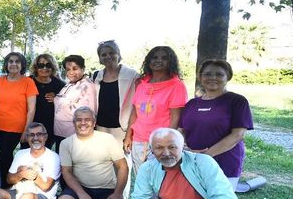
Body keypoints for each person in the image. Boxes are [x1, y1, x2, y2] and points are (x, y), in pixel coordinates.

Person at [179, 59, 253, 190]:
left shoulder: (237, 101)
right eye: (207, 74)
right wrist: (184, 148)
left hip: (224, 163)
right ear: (200, 77)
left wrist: (205, 157)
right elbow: (182, 130)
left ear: (228, 77)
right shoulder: (191, 104)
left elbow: (237, 135)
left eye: (219, 74)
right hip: (191, 162)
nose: (213, 77)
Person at [56, 107, 129, 199]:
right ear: (74, 123)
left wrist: (118, 194)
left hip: (106, 189)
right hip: (82, 187)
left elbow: (123, 167)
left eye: (87, 120)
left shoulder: (107, 139)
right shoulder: (66, 143)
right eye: (79, 120)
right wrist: (81, 194)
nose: (83, 123)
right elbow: (66, 172)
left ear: (94, 123)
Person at [124, 46, 188, 174]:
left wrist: (167, 142)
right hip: (139, 139)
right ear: (148, 61)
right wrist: (128, 136)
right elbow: (135, 112)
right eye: (155, 57)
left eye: (164, 58)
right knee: (141, 176)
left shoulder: (176, 85)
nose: (158, 60)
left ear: (171, 62)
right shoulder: (141, 84)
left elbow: (176, 117)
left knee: (160, 177)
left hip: (161, 141)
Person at [0, 51, 38, 187]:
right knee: (4, 155)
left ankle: (7, 185)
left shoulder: (28, 82)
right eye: (10, 61)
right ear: (6, 64)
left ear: (22, 65)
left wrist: (26, 130)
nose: (13, 64)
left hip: (17, 127)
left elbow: (31, 109)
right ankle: (8, 183)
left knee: (5, 155)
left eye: (17, 61)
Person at [91, 41, 139, 148]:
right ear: (100, 58)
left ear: (118, 54)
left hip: (122, 128)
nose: (108, 56)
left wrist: (129, 135)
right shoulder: (96, 76)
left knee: (122, 162)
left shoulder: (133, 76)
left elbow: (137, 106)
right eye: (103, 54)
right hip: (100, 127)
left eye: (111, 53)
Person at [53, 55, 97, 147]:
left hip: (74, 134)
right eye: (68, 69)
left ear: (83, 69)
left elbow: (88, 112)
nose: (71, 72)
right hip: (60, 132)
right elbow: (64, 102)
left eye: (75, 68)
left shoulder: (87, 85)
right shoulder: (69, 84)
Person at [30, 53, 65, 149]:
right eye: (41, 65)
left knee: (45, 153)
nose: (45, 68)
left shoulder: (60, 84)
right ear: (36, 67)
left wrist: (57, 99)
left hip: (50, 127)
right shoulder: (29, 82)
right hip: (30, 125)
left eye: (48, 65)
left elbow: (66, 105)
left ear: (53, 67)